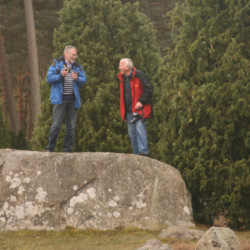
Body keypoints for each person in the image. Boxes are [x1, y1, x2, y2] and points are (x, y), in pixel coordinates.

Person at [44, 45, 87, 152]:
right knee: (56, 125)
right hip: (60, 100)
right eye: (73, 54)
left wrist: (77, 78)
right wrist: (60, 75)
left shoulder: (77, 66)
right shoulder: (56, 64)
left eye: (75, 54)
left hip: (73, 101)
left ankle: (68, 150)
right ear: (66, 54)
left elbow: (84, 80)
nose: (75, 57)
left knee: (71, 127)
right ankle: (50, 148)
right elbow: (49, 79)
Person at [118, 58, 153, 155]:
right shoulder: (122, 79)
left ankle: (143, 153)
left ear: (127, 67)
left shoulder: (139, 75)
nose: (119, 67)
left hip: (139, 110)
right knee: (132, 134)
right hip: (129, 111)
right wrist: (124, 113)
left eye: (121, 65)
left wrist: (141, 101)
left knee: (140, 130)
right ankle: (136, 155)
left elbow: (149, 89)